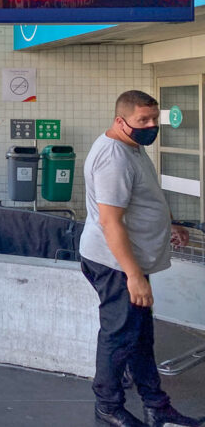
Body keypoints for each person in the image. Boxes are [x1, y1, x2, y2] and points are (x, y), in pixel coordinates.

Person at [80, 91, 204, 427]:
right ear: (120, 121)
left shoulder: (132, 147)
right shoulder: (114, 157)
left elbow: (142, 198)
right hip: (115, 264)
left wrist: (170, 223)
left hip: (127, 262)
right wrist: (133, 275)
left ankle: (156, 405)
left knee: (139, 336)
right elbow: (110, 221)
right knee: (118, 336)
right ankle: (107, 406)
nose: (151, 126)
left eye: (154, 119)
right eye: (142, 121)